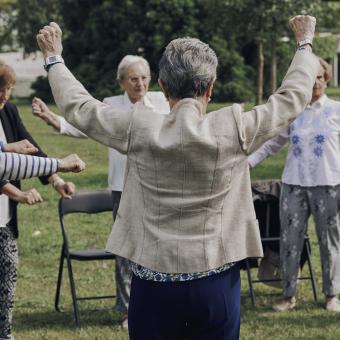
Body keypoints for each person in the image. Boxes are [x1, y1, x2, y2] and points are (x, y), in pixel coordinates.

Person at [37, 15, 319, 339]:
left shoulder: (138, 127)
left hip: (153, 285)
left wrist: (54, 57)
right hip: (216, 285)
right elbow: (292, 98)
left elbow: (79, 107)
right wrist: (304, 43)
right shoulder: (235, 128)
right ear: (211, 88)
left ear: (162, 87)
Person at [31, 55, 170, 328]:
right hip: (123, 189)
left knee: (158, 248)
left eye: (143, 78)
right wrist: (51, 119)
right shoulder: (111, 105)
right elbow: (85, 125)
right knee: (126, 250)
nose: (139, 83)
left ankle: (160, 305)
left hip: (157, 188)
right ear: (121, 82)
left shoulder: (162, 104)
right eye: (133, 78)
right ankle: (129, 310)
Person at [248, 57, 340, 313]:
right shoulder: (295, 113)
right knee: (289, 240)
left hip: (328, 185)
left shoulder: (336, 110)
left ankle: (332, 294)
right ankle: (288, 295)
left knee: (329, 240)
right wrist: (248, 163)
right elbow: (272, 142)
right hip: (293, 185)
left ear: (326, 79)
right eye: (311, 78)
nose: (316, 83)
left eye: (320, 77)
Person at [0, 61, 82, 340]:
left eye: (8, 89)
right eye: (0, 89)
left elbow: (33, 150)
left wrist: (57, 180)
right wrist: (19, 193)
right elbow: (2, 166)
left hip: (4, 219)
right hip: (10, 199)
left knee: (7, 278)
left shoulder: (8, 112)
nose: (5, 95)